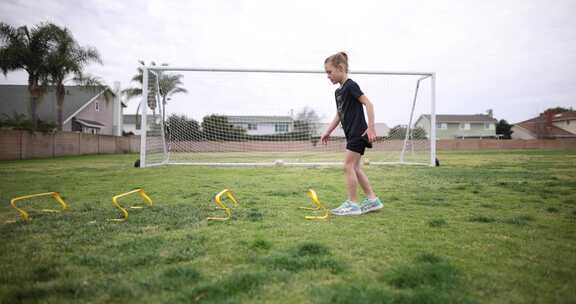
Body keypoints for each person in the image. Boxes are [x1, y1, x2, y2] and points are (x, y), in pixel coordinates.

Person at [320, 52, 383, 216]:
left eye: (329, 72)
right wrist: (328, 131)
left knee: (347, 166)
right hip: (352, 134)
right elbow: (340, 114)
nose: (328, 76)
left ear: (340, 68)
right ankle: (372, 200)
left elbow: (368, 103)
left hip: (358, 132)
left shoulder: (351, 85)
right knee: (355, 167)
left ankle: (353, 204)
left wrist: (371, 127)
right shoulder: (338, 92)